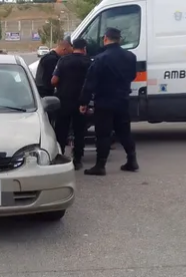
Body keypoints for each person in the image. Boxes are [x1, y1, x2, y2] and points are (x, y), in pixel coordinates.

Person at [78, 27, 139, 176]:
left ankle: (100, 165)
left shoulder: (101, 58)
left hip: (104, 101)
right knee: (124, 131)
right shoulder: (130, 56)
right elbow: (132, 76)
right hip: (123, 99)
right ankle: (132, 160)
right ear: (120, 40)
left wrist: (83, 102)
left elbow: (90, 82)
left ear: (105, 39)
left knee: (103, 133)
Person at [51, 38, 91, 170]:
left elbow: (54, 80)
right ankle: (78, 159)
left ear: (73, 48)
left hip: (64, 100)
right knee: (79, 131)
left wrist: (62, 85)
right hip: (81, 102)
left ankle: (60, 156)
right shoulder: (88, 62)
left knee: (61, 129)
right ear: (84, 49)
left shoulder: (63, 60)